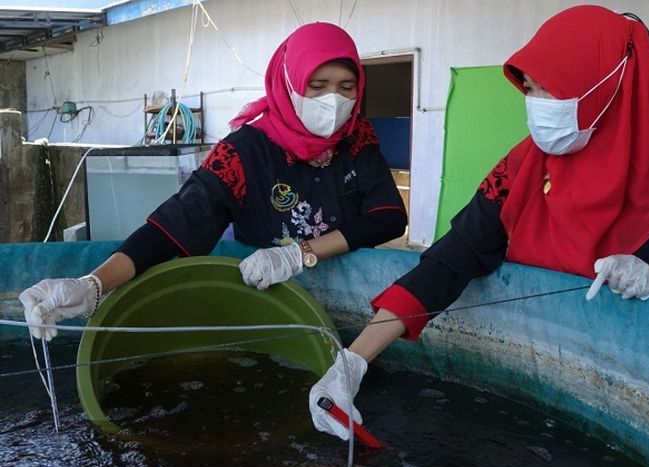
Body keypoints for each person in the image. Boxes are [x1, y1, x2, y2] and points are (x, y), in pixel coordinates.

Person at [309, 5, 649, 441]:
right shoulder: (522, 169)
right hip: (529, 390)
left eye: (550, 91)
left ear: (609, 88)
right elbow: (449, 260)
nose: (536, 107)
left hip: (643, 414)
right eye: (530, 90)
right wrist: (352, 363)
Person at [19, 22, 407, 341]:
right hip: (265, 299)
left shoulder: (357, 139)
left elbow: (388, 216)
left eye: (346, 87)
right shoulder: (244, 152)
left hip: (341, 298)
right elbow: (175, 225)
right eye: (317, 86)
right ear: (288, 83)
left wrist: (300, 253)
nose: (333, 101)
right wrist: (93, 285)